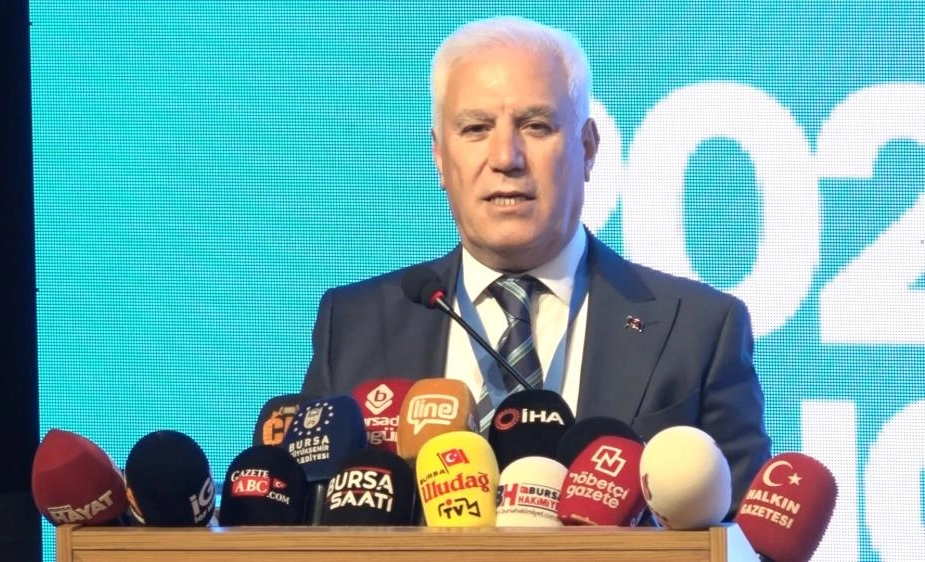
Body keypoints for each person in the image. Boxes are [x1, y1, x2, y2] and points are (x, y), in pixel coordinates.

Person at [301, 16, 771, 517]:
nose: (506, 157)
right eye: (476, 129)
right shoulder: (354, 324)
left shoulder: (698, 330)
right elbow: (305, 521)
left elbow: (740, 536)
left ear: (588, 149)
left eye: (536, 126)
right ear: (439, 156)